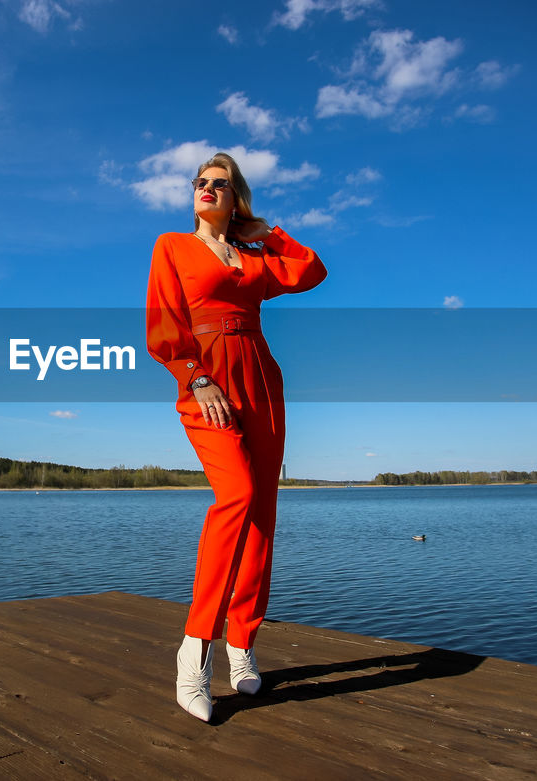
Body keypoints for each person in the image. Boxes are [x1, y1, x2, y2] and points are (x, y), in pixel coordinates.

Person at [145, 152, 327, 722]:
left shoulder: (252, 256)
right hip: (208, 378)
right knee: (237, 495)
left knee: (263, 511)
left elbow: (312, 270)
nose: (206, 188)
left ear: (235, 197)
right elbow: (163, 323)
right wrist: (195, 379)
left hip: (261, 379)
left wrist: (266, 231)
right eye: (200, 181)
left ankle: (242, 644)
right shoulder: (172, 246)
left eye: (219, 183)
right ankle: (195, 651)